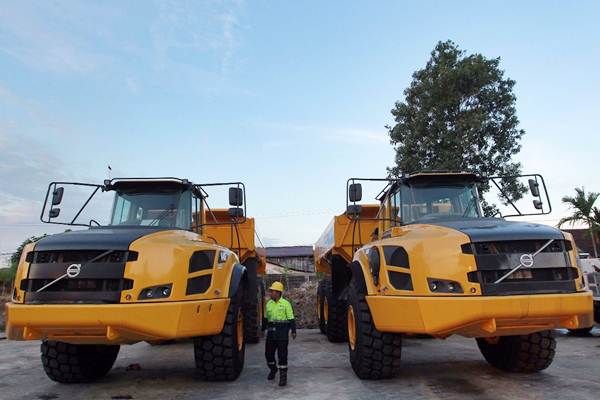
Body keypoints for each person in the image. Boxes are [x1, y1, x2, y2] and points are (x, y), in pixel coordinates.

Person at [262, 281, 296, 386]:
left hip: (282, 332)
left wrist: (293, 331)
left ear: (278, 292)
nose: (270, 293)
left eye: (272, 291)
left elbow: (291, 319)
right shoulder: (269, 304)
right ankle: (273, 369)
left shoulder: (286, 304)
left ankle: (283, 377)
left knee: (282, 355)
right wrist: (262, 329)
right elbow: (265, 319)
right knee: (268, 354)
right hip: (271, 333)